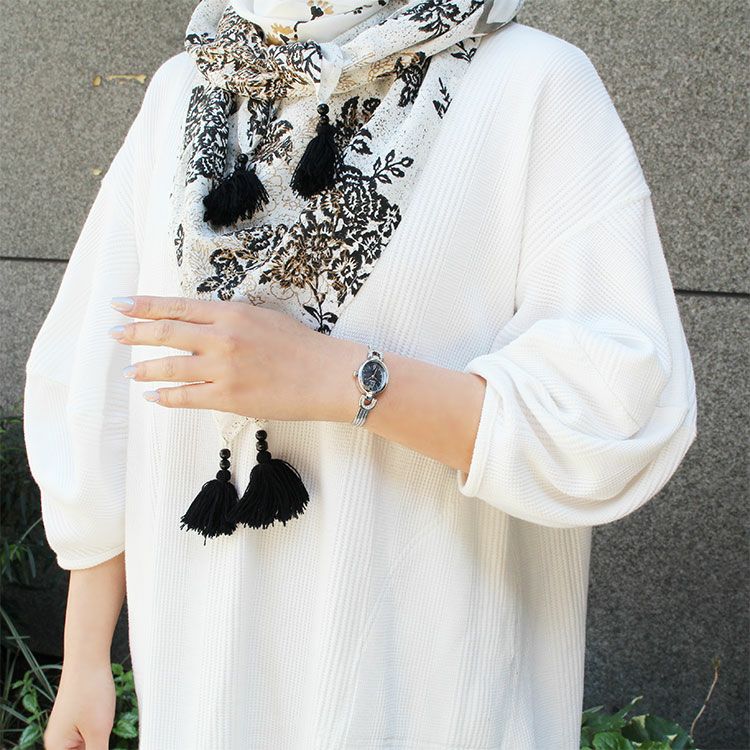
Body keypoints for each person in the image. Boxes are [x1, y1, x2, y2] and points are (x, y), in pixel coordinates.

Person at [23, 0, 698, 747]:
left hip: (432, 688)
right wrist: (84, 657)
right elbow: (98, 377)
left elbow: (611, 412)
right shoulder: (186, 87)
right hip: (203, 680)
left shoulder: (534, 82)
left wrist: (345, 379)